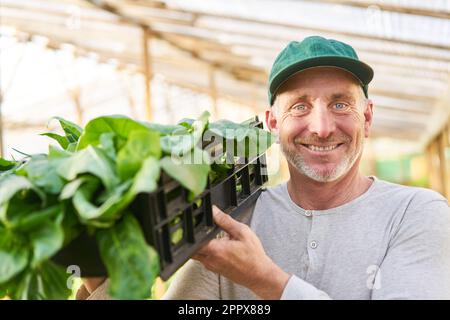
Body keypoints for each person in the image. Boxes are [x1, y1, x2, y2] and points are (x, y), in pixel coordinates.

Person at [81, 36, 450, 300]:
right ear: (272, 123)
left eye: (340, 105)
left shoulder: (416, 213)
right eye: (300, 107)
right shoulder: (237, 216)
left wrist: (264, 280)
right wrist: (102, 278)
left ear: (367, 118)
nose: (321, 127)